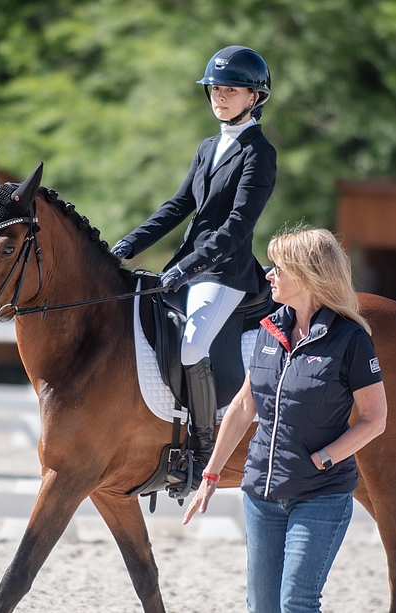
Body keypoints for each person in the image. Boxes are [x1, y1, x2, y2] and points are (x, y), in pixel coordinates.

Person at [183, 227, 388, 613]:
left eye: (279, 267)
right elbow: (245, 406)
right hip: (261, 495)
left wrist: (325, 457)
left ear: (308, 274)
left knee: (297, 602)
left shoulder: (351, 340)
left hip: (321, 495)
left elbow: (375, 419)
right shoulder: (267, 330)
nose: (269, 274)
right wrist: (210, 475)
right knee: (261, 605)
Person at [111, 46, 276, 494]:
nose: (220, 97)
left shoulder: (259, 153)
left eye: (231, 90)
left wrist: (187, 267)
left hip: (224, 273)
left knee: (191, 347)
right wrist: (127, 244)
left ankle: (201, 450)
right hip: (189, 266)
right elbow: (178, 206)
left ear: (254, 96)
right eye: (215, 90)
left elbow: (237, 226)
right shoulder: (208, 147)